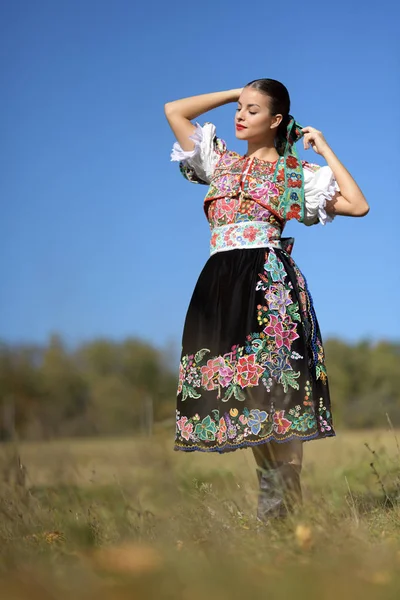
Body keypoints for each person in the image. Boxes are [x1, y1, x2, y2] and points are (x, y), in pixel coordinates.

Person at [165, 79, 369, 522]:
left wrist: (324, 148)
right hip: (219, 286)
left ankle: (283, 519)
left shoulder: (295, 175)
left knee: (281, 396)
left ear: (276, 120)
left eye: (252, 110)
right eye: (240, 108)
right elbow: (174, 111)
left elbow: (357, 204)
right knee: (248, 402)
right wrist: (235, 90)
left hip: (270, 287)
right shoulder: (218, 161)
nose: (239, 115)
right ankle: (275, 514)